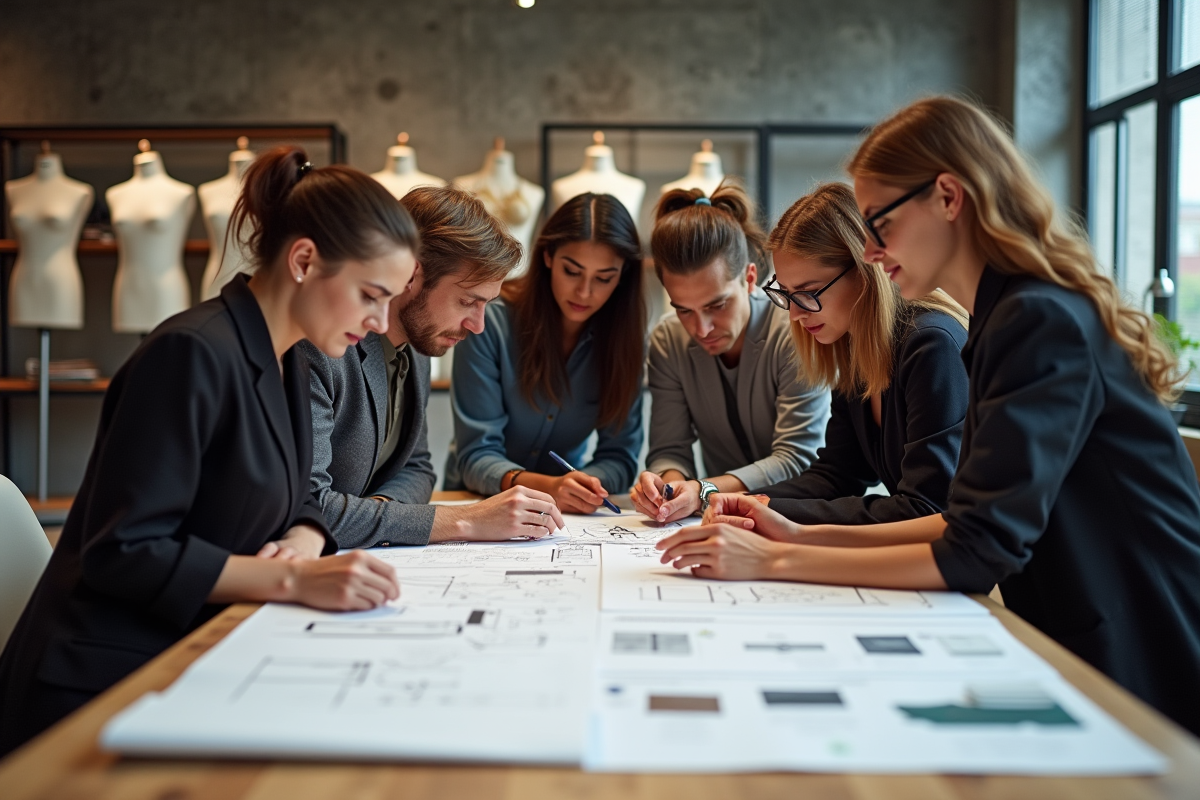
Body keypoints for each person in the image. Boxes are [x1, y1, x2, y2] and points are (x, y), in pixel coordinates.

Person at [658, 96, 1200, 735]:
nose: (873, 251)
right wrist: (796, 536)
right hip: (1089, 624)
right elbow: (958, 520)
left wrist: (774, 560)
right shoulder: (1007, 315)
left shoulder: (1032, 319)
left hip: (1139, 641)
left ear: (949, 196)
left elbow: (973, 549)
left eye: (879, 224)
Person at [0, 147, 410, 755]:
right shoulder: (190, 353)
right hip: (100, 688)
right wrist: (292, 580)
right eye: (371, 295)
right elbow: (123, 552)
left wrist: (307, 537)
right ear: (304, 260)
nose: (381, 322)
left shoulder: (293, 358)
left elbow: (303, 496)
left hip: (201, 649)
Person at [302, 186, 564, 548]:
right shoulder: (322, 347)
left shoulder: (418, 345)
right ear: (411, 275)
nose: (478, 326)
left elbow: (418, 468)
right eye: (467, 302)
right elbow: (310, 508)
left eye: (486, 305)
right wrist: (466, 519)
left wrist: (380, 519)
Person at [703, 182, 968, 525]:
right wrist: (720, 496)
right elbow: (836, 475)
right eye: (786, 294)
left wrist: (768, 510)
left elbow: (926, 507)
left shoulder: (931, 345)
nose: (795, 315)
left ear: (865, 272)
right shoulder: (857, 345)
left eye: (808, 293)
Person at [628, 181, 831, 523]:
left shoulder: (796, 330)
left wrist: (703, 490)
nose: (702, 329)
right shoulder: (667, 340)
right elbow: (669, 450)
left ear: (750, 278)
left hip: (802, 513)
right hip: (719, 518)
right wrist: (668, 491)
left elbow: (797, 457)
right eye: (684, 310)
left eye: (717, 305)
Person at [444, 193, 645, 513]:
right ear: (548, 256)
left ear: (623, 276)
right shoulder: (489, 322)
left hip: (569, 513)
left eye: (604, 278)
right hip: (477, 501)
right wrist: (549, 487)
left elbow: (620, 456)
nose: (584, 292)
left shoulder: (626, 342)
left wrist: (587, 485)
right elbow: (475, 456)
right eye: (572, 271)